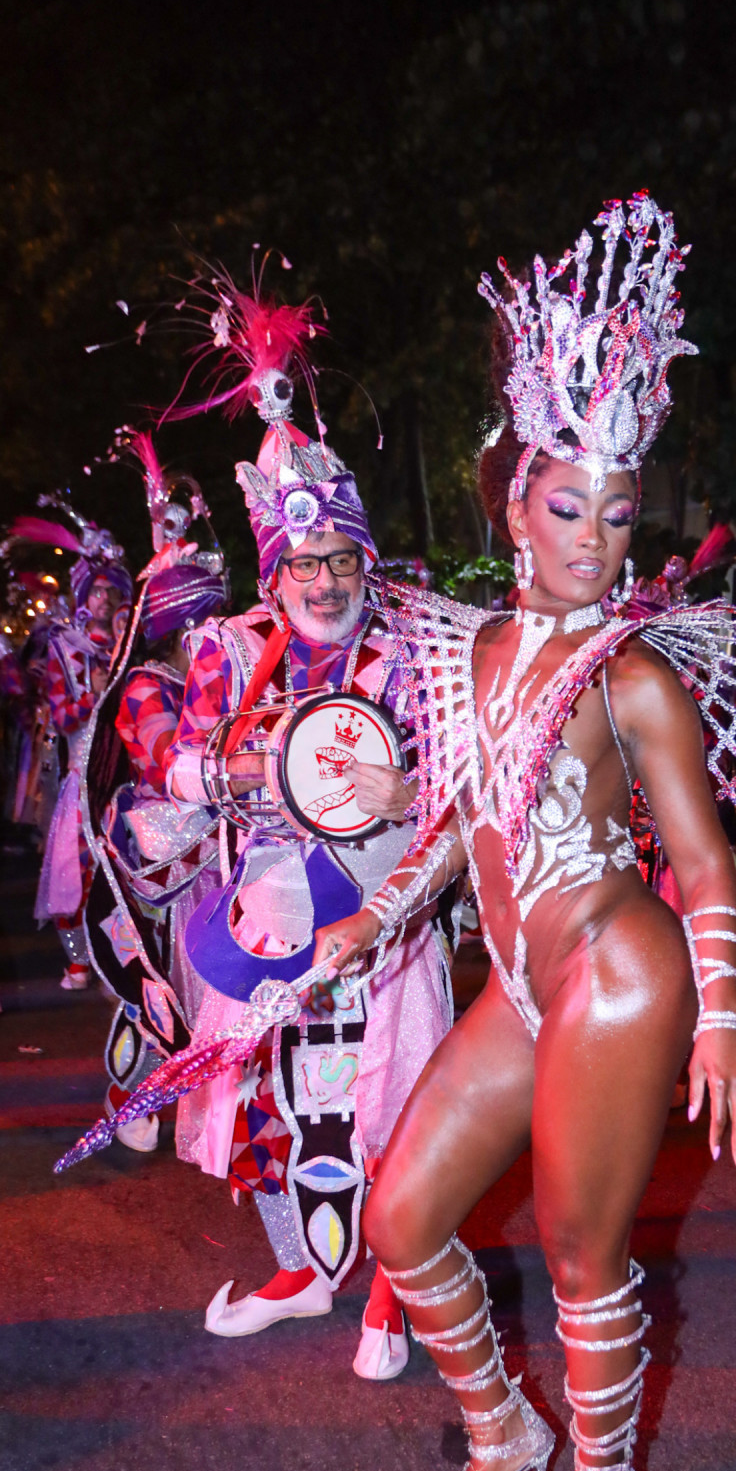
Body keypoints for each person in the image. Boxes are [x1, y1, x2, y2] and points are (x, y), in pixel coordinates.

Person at [310, 194, 736, 1471]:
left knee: (584, 1250)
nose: (597, 534)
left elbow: (701, 859)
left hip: (619, 973)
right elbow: (469, 819)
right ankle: (505, 1430)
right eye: (568, 504)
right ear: (513, 502)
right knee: (402, 1222)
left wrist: (721, 1021)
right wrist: (380, 916)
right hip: (516, 983)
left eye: (620, 509)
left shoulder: (637, 673)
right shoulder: (478, 650)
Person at [158, 280, 455, 1381]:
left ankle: (395, 1284)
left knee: (397, 1108)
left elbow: (465, 792)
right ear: (272, 571)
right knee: (278, 1108)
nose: (322, 581)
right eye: (302, 565)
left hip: (383, 923)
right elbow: (177, 767)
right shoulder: (230, 651)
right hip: (271, 922)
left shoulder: (416, 657)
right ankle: (297, 1272)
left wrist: (406, 796)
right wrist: (244, 769)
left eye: (339, 562)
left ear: (363, 563)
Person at [80, 433, 228, 1153]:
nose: (216, 635)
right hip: (163, 856)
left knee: (204, 981)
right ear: (178, 626)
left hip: (208, 847)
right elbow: (176, 762)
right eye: (204, 625)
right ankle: (130, 1093)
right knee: (161, 984)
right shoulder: (146, 687)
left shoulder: (201, 677)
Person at [7, 501, 132, 989]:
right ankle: (79, 960)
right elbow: (61, 716)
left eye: (112, 592)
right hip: (82, 776)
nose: (104, 600)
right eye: (97, 591)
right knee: (74, 870)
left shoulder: (128, 648)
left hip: (126, 776)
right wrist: (95, 695)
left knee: (124, 869)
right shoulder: (64, 648)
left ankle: (125, 957)